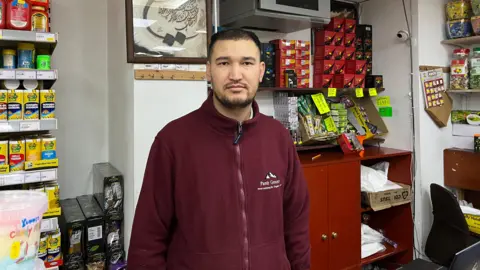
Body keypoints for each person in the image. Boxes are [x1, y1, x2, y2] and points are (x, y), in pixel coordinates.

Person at [127, 28, 311, 270]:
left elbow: (296, 226)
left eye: (246, 63)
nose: (236, 74)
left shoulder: (278, 137)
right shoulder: (173, 141)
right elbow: (148, 239)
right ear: (208, 70)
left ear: (261, 71)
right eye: (224, 63)